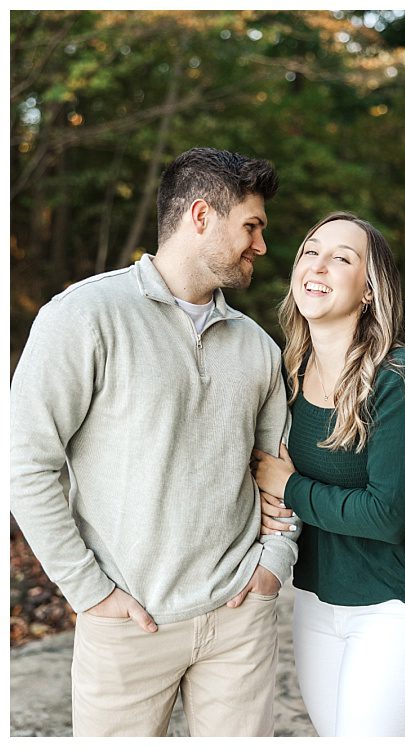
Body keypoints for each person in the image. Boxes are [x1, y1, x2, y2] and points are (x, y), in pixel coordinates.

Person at [9, 147, 296, 737]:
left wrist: (272, 568)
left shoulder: (258, 347)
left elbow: (280, 474)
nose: (261, 246)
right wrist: (89, 591)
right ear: (200, 215)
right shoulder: (84, 316)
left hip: (238, 622)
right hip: (128, 624)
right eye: (251, 226)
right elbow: (25, 463)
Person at [250, 212, 405, 737]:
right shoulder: (287, 371)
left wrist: (287, 488)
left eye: (341, 258)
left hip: (401, 604)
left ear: (369, 291)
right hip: (321, 598)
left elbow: (389, 514)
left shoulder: (402, 378)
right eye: (310, 251)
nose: (317, 265)